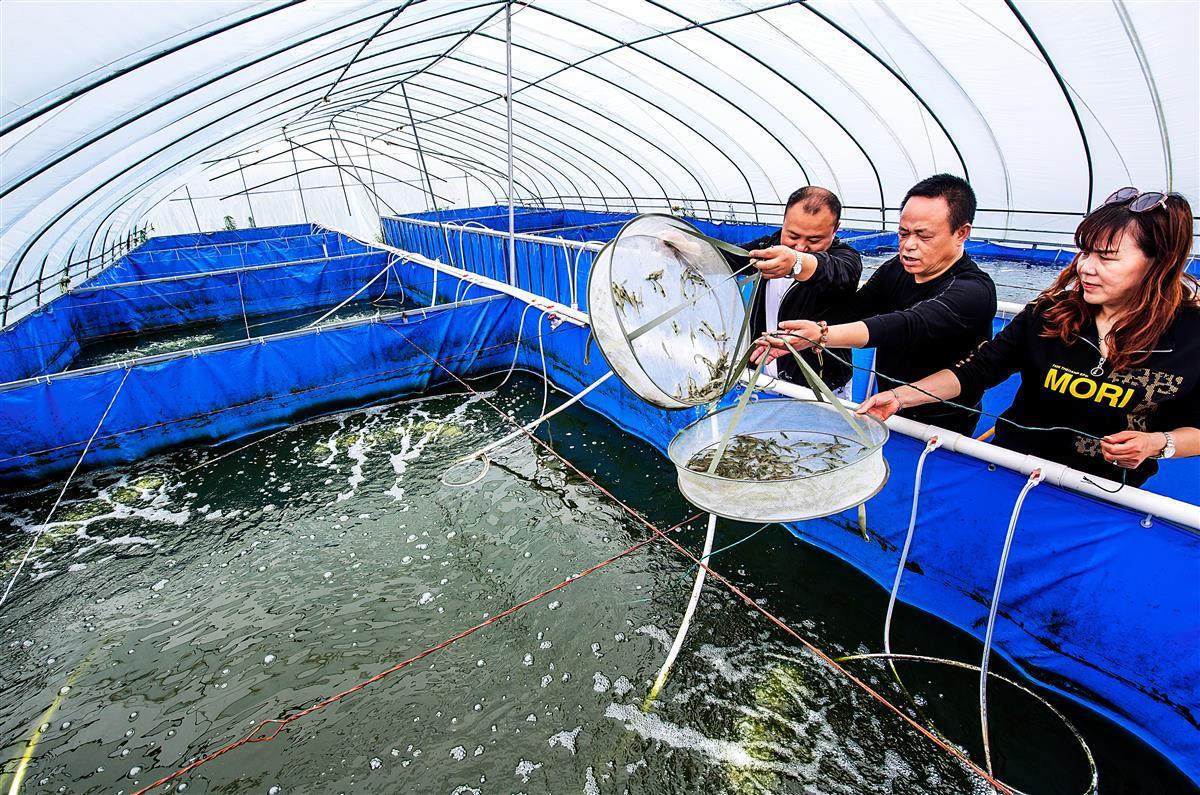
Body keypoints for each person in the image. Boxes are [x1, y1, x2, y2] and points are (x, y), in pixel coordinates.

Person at [856, 188, 1199, 487]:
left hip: (1102, 494)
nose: (1086, 268)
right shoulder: (1051, 313)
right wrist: (900, 397)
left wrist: (1158, 443)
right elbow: (976, 369)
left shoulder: (1191, 335)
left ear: (1161, 263)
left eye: (1107, 258)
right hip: (1011, 470)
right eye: (1085, 252)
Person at [752, 173, 996, 435]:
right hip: (888, 402)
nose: (909, 246)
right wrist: (806, 333)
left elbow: (908, 325)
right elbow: (854, 310)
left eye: (923, 236)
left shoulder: (973, 291)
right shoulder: (896, 269)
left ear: (961, 233)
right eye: (903, 233)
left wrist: (822, 335)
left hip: (945, 417)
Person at [731, 186, 862, 394]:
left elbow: (832, 273)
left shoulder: (847, 260)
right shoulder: (770, 245)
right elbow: (733, 257)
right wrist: (690, 247)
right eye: (792, 235)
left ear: (835, 229)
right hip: (767, 376)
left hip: (820, 387)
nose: (800, 246)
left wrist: (796, 263)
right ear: (784, 222)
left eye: (814, 240)